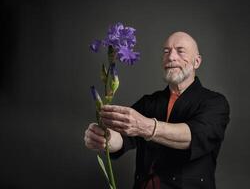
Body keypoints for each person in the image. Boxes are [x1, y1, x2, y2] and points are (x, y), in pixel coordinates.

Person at [84, 31, 230, 189]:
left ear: (197, 62)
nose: (171, 57)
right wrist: (105, 139)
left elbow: (194, 136)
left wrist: (145, 126)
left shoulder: (215, 102)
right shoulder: (148, 102)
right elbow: (123, 139)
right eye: (166, 51)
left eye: (180, 51)